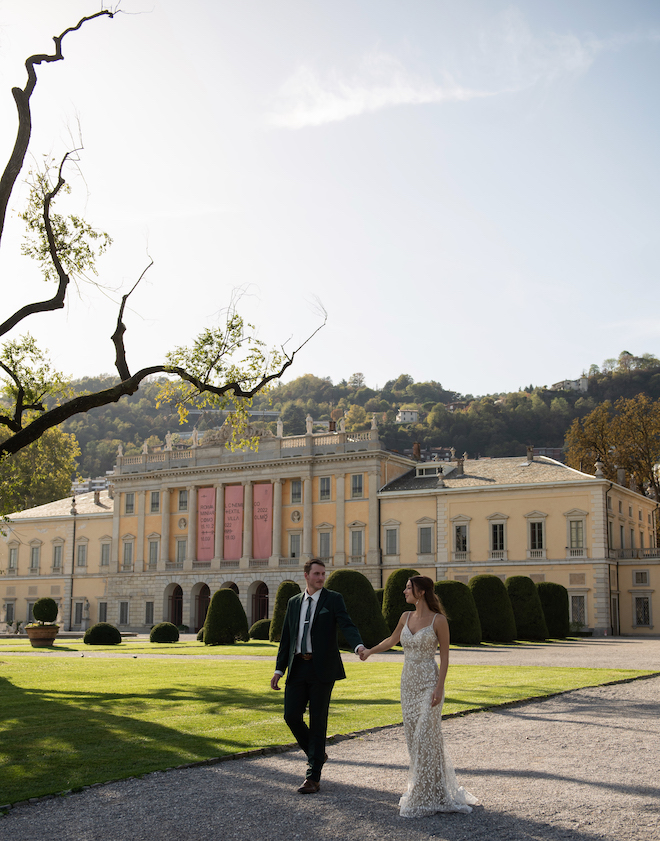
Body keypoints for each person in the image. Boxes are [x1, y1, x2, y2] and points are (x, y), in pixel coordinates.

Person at [360, 575, 478, 817]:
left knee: (426, 734)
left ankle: (423, 795)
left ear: (421, 591)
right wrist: (370, 651)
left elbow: (445, 658)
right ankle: (431, 789)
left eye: (408, 588)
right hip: (408, 684)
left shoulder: (439, 620)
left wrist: (440, 687)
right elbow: (392, 640)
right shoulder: (405, 617)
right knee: (415, 738)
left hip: (429, 684)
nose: (404, 591)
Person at [270, 558, 364, 794]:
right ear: (306, 576)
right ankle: (317, 754)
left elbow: (347, 624)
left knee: (318, 719)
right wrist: (279, 670)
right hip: (298, 667)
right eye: (317, 574)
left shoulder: (333, 599)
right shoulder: (293, 603)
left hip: (322, 668)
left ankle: (313, 777)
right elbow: (287, 639)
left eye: (324, 574)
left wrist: (358, 646)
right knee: (291, 715)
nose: (321, 578)